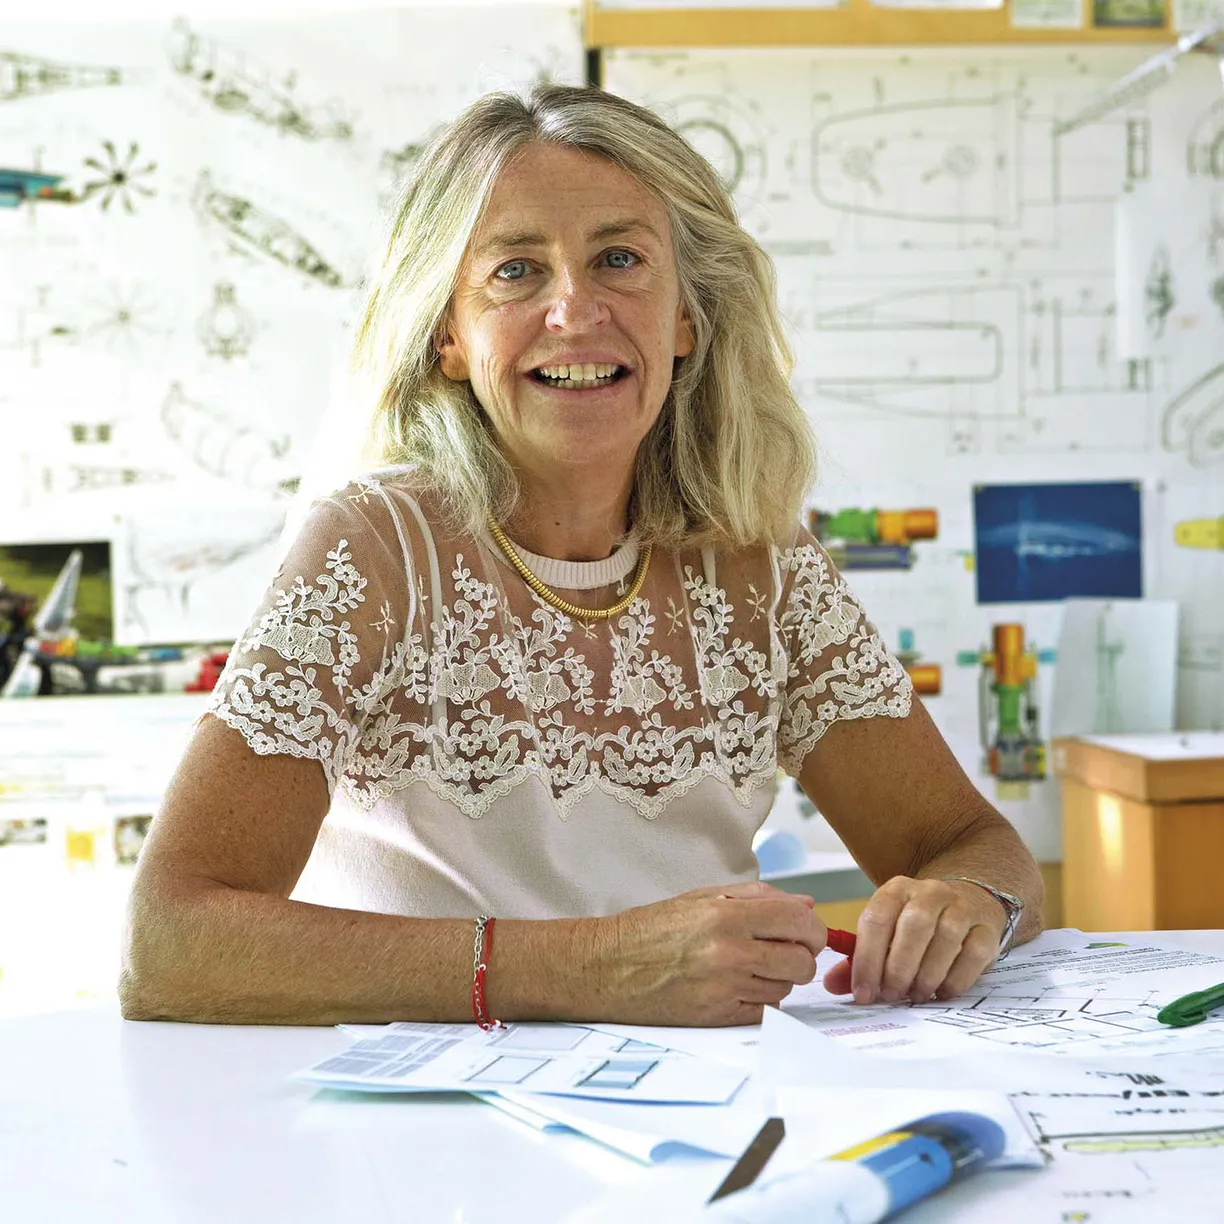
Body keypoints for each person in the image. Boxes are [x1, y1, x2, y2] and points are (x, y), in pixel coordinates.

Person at [121, 84, 1042, 1029]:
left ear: (686, 317)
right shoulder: (373, 550)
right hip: (428, 1112)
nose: (574, 311)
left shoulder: (762, 565)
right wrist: (599, 967)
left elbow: (968, 841)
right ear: (449, 334)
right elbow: (171, 946)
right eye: (516, 271)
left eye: (620, 260)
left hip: (715, 1103)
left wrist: (969, 903)